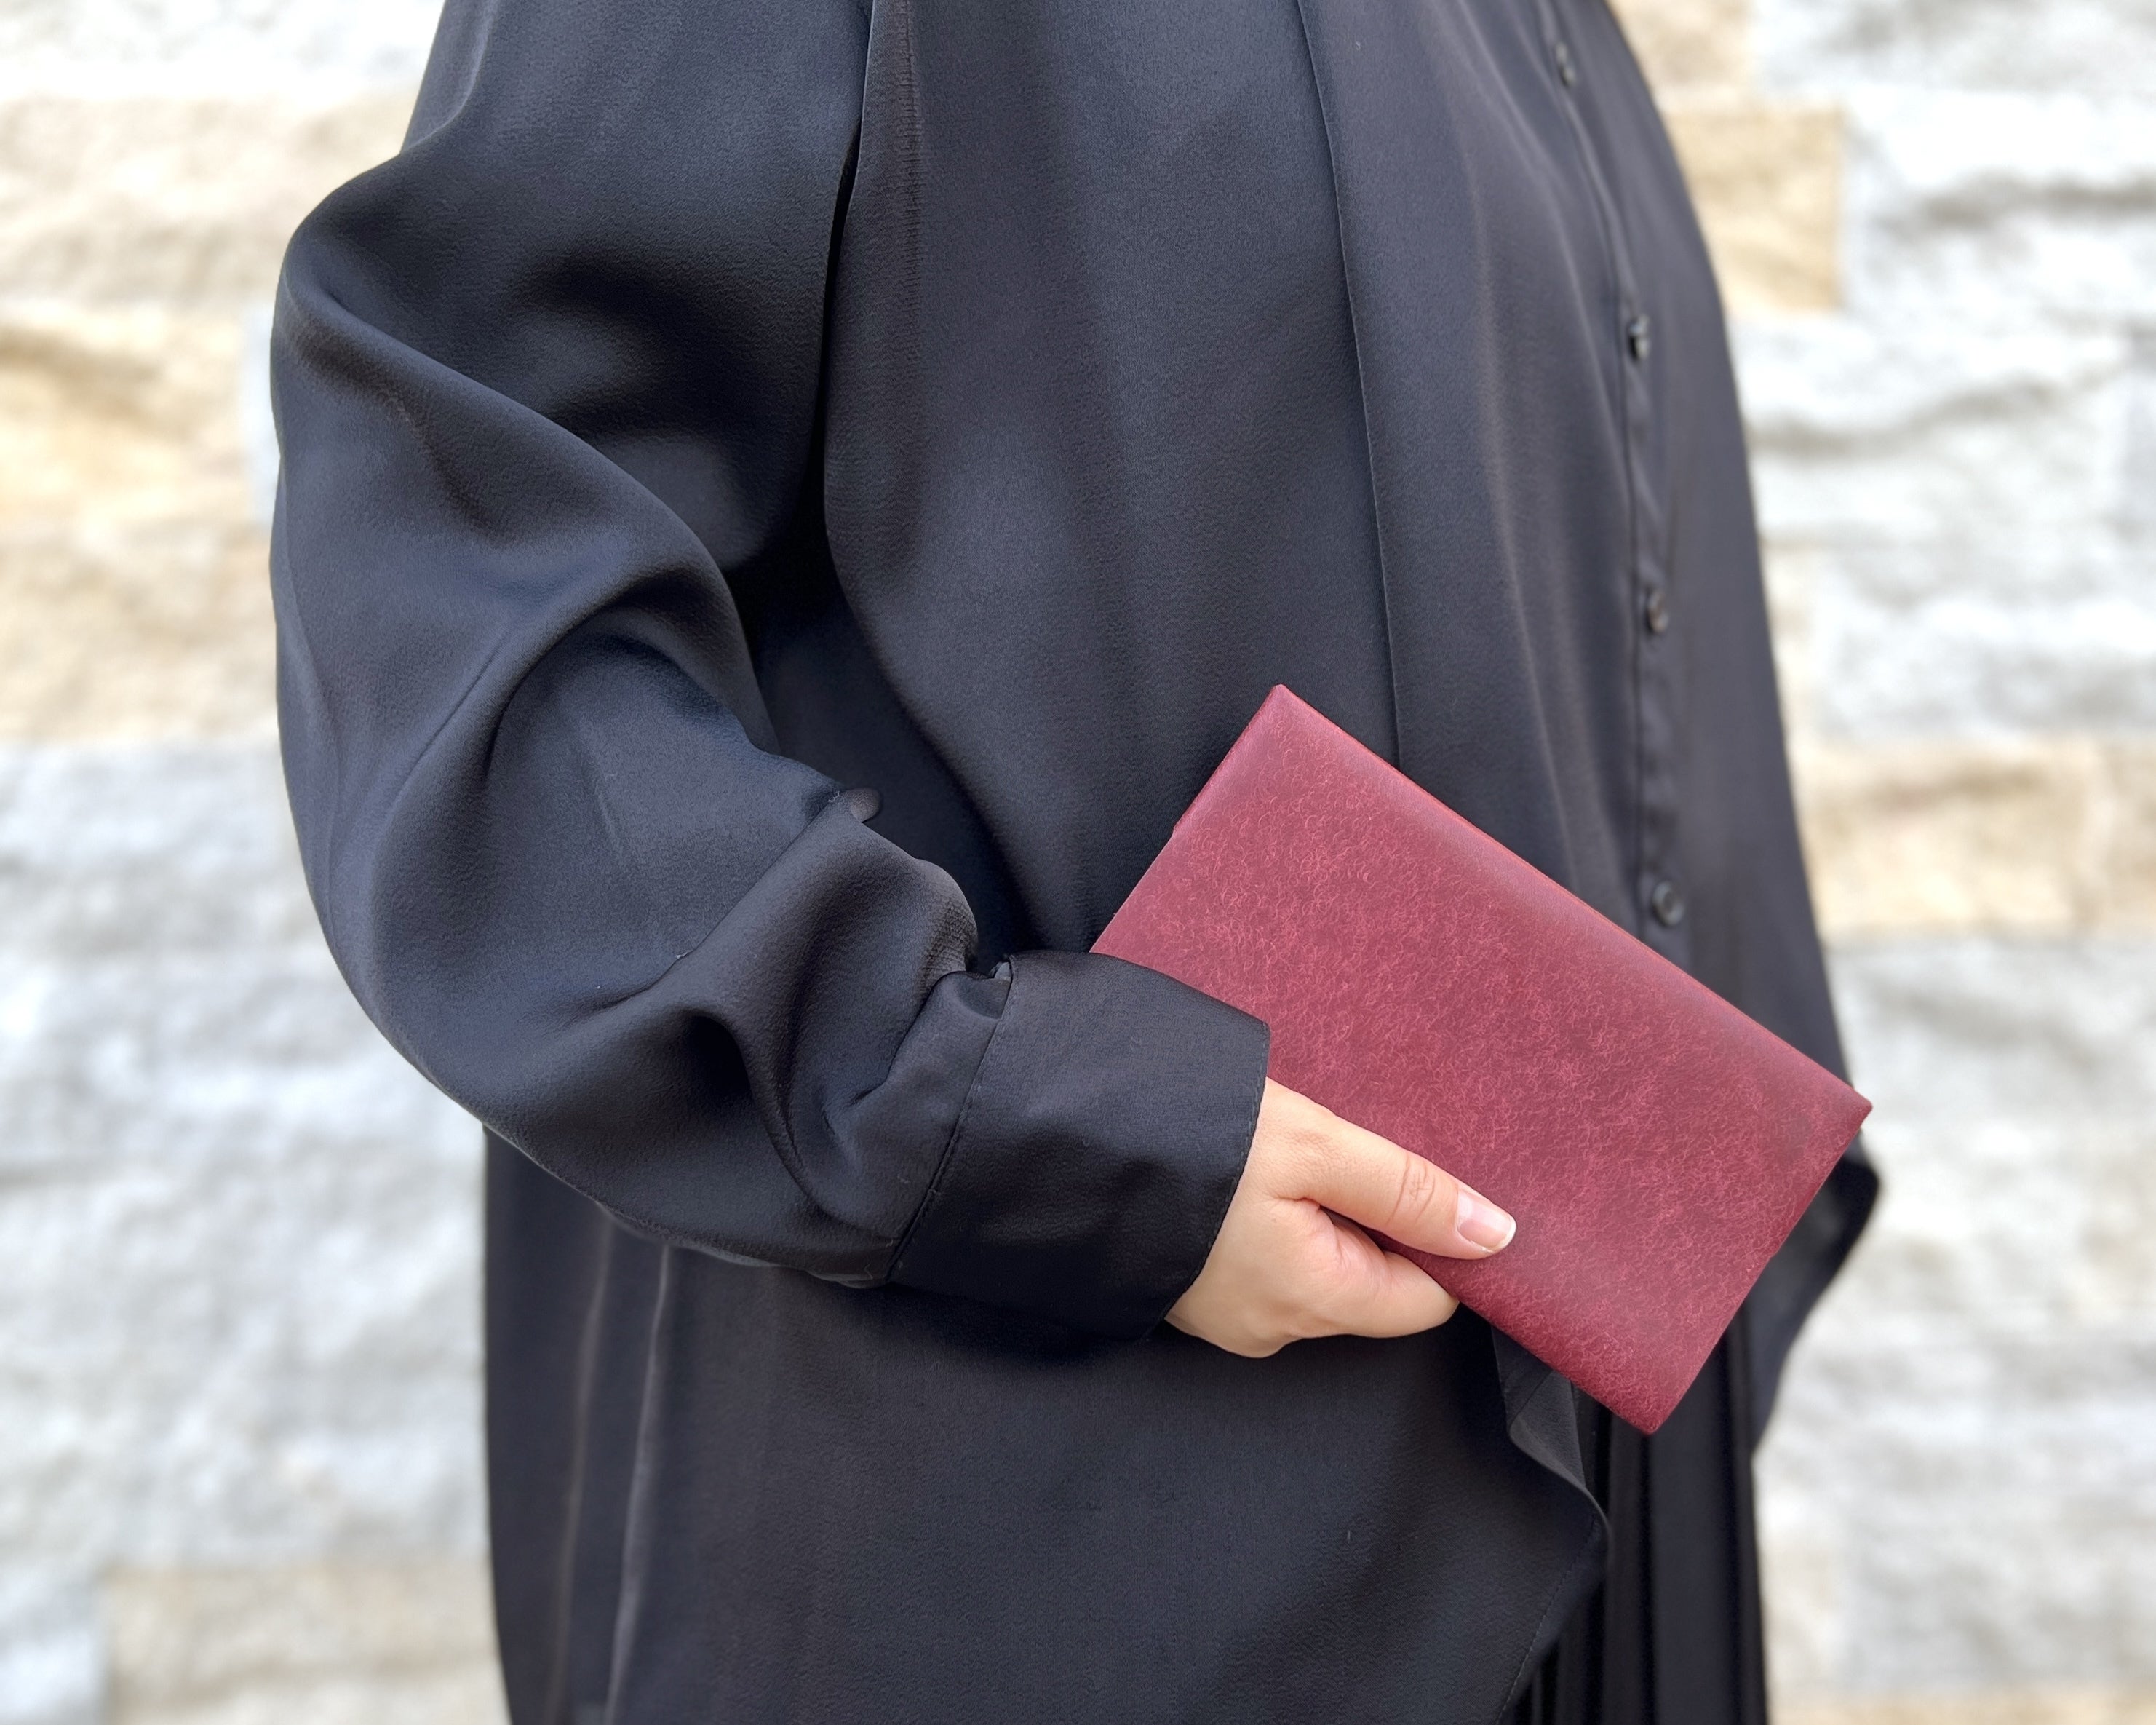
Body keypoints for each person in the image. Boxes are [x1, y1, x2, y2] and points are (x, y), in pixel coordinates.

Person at [271, 0, 1877, 1719]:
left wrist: (1694, 1225)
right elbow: (468, 572)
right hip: (1038, 1535)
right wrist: (1022, 1116)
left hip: (1569, 1504)